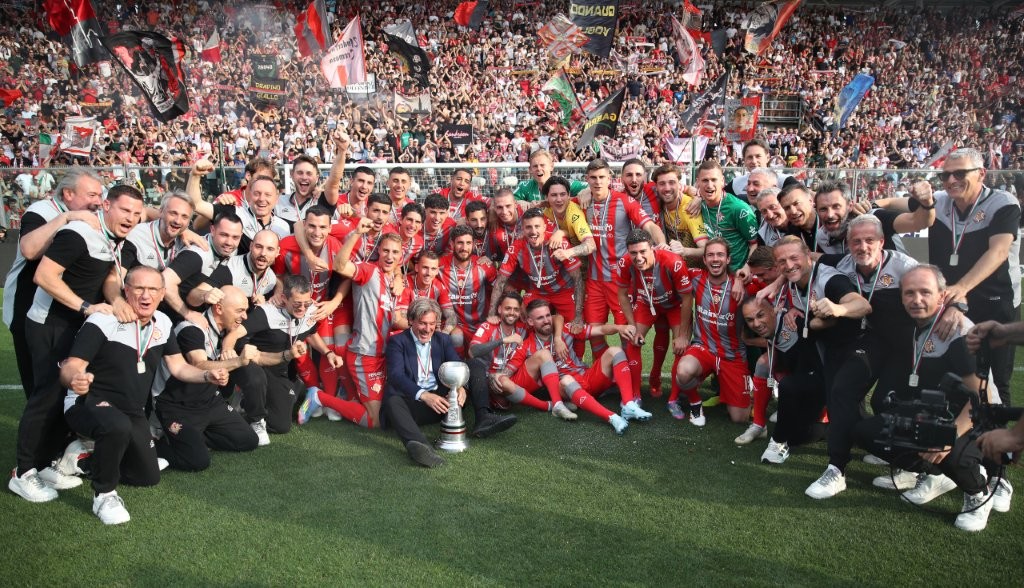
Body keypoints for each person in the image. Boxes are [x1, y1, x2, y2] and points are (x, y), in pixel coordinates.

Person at [57, 266, 229, 524]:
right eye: (139, 288)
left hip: (131, 411)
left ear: (162, 293)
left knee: (147, 477)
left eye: (152, 289)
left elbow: (179, 367)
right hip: (88, 403)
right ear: (126, 291)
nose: (146, 295)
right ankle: (104, 494)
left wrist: (207, 375)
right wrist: (76, 379)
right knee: (116, 425)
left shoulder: (164, 322)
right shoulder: (103, 320)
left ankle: (83, 460)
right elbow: (71, 366)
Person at [10, 185, 145, 503]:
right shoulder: (79, 233)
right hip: (50, 324)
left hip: (78, 326)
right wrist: (86, 307)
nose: (131, 218)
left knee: (65, 397)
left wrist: (114, 300)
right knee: (47, 397)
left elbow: (111, 277)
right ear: (107, 206)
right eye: (125, 210)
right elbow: (44, 276)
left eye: (137, 213)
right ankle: (22, 472)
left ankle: (44, 463)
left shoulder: (118, 240)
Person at [854, 265, 1011, 531]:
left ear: (942, 296)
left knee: (950, 452)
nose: (916, 300)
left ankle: (977, 491)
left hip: (975, 419)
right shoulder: (916, 323)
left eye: (925, 292)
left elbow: (983, 400)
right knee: (869, 431)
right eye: (909, 293)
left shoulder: (961, 335)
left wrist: (948, 438)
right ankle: (935, 475)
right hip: (939, 411)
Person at [771, 236, 873, 499]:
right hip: (826, 349)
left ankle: (837, 469)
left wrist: (837, 308)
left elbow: (862, 305)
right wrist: (799, 315)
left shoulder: (829, 279)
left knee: (840, 397)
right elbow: (810, 316)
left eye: (794, 258)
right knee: (823, 402)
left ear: (809, 257)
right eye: (782, 261)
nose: (788, 265)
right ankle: (877, 442)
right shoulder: (793, 280)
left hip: (855, 347)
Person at [923, 148, 1021, 405]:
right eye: (945, 175)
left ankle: (999, 431)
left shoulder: (1003, 203)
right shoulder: (940, 201)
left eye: (959, 173)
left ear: (981, 174)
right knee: (955, 374)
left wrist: (960, 288)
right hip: (955, 301)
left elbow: (998, 252)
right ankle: (960, 429)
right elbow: (898, 205)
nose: (951, 180)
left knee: (996, 379)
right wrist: (872, 206)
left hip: (995, 301)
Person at [381, 298, 517, 468]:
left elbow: (457, 363)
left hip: (444, 402)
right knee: (392, 401)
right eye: (422, 323)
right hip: (416, 404)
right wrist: (424, 395)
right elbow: (396, 376)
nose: (428, 329)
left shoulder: (442, 340)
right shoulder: (398, 342)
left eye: (432, 324)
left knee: (474, 365)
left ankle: (484, 418)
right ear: (411, 321)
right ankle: (422, 447)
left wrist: (460, 386)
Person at [3, 169, 103, 400]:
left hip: (65, 309)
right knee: (41, 385)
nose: (98, 201)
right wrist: (66, 218)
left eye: (100, 195)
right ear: (68, 194)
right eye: (91, 195)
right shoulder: (42, 211)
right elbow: (29, 250)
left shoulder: (94, 215)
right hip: (28, 307)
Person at [151, 285, 259, 472]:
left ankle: (194, 437)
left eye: (245, 311)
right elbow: (199, 364)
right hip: (176, 404)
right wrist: (239, 361)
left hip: (209, 401)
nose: (245, 317)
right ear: (219, 308)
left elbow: (259, 357)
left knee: (248, 440)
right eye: (240, 311)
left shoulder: (228, 330)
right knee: (198, 461)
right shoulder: (191, 329)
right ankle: (153, 446)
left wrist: (287, 354)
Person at [221, 274, 337, 444]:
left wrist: (328, 353)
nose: (302, 308)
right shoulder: (266, 312)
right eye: (297, 304)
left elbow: (311, 333)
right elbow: (234, 334)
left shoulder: (311, 310)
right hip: (256, 362)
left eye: (306, 303)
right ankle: (255, 419)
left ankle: (247, 404)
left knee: (281, 425)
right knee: (256, 379)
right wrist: (227, 352)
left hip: (278, 369)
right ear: (284, 298)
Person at [507, 299, 648, 434]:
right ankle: (611, 417)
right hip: (565, 388)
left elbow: (600, 330)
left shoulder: (566, 330)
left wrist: (619, 327)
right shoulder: (527, 347)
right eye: (540, 318)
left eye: (548, 315)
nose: (546, 321)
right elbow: (514, 375)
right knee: (566, 379)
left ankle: (628, 404)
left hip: (586, 377)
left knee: (615, 351)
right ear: (530, 321)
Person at [580, 158, 667, 358]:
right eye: (593, 178)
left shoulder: (624, 201)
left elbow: (650, 225)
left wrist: (662, 244)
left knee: (627, 333)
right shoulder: (581, 202)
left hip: (620, 281)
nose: (598, 182)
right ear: (587, 179)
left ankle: (626, 371)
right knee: (594, 333)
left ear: (610, 178)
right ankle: (605, 372)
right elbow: (557, 203)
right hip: (594, 281)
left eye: (602, 177)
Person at [671, 238, 753, 425]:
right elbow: (670, 268)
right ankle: (695, 402)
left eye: (720, 255)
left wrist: (743, 275)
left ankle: (741, 389)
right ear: (704, 260)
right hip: (704, 348)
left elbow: (767, 279)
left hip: (732, 355)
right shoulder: (695, 277)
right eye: (710, 255)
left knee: (739, 418)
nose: (715, 259)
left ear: (728, 259)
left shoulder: (743, 285)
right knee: (683, 371)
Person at [469, 291, 576, 419]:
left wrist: (557, 338)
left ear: (520, 312)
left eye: (516, 309)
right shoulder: (488, 327)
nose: (512, 313)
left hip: (512, 375)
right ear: (499, 309)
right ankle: (547, 406)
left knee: (543, 354)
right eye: (508, 308)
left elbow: (557, 318)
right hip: (490, 379)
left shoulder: (523, 327)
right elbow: (472, 352)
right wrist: (503, 340)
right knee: (503, 382)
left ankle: (558, 404)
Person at [617, 229, 694, 405]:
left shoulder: (673, 262)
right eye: (633, 253)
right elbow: (622, 294)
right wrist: (632, 326)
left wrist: (683, 335)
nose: (638, 257)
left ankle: (673, 399)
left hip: (674, 305)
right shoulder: (625, 262)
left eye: (643, 251)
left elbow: (687, 298)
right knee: (633, 340)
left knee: (680, 347)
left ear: (652, 248)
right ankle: (635, 395)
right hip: (646, 302)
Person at [161, 213, 243, 326]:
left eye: (235, 237)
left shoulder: (232, 249)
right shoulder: (196, 255)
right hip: (170, 315)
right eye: (224, 235)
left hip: (201, 313)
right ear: (212, 230)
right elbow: (165, 281)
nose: (229, 242)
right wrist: (187, 313)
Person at [812, 180, 933, 254]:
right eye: (823, 209)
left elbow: (918, 222)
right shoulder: (822, 237)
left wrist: (927, 202)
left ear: (850, 206)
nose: (830, 215)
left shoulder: (873, 219)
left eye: (836, 206)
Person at [440, 225, 498, 350]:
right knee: (457, 338)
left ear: (473, 244)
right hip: (453, 324)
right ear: (452, 244)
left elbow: (499, 288)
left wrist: (493, 314)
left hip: (479, 324)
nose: (464, 248)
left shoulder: (484, 265)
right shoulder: (440, 265)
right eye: (460, 243)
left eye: (468, 243)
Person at [693, 160, 757, 272]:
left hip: (737, 275)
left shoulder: (738, 208)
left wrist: (747, 267)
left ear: (722, 181)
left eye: (714, 180)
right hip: (711, 274)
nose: (709, 185)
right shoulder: (696, 204)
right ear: (698, 182)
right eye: (705, 180)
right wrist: (695, 196)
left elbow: (755, 243)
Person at [126, 191, 196, 271]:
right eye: (173, 213)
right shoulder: (136, 235)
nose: (178, 221)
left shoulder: (188, 244)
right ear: (161, 211)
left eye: (184, 217)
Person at [514, 149, 586, 202]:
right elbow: (511, 200)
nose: (539, 169)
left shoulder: (563, 184)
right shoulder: (524, 186)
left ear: (551, 167)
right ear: (530, 169)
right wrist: (521, 202)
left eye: (542, 165)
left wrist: (587, 191)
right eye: (535, 166)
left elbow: (589, 186)